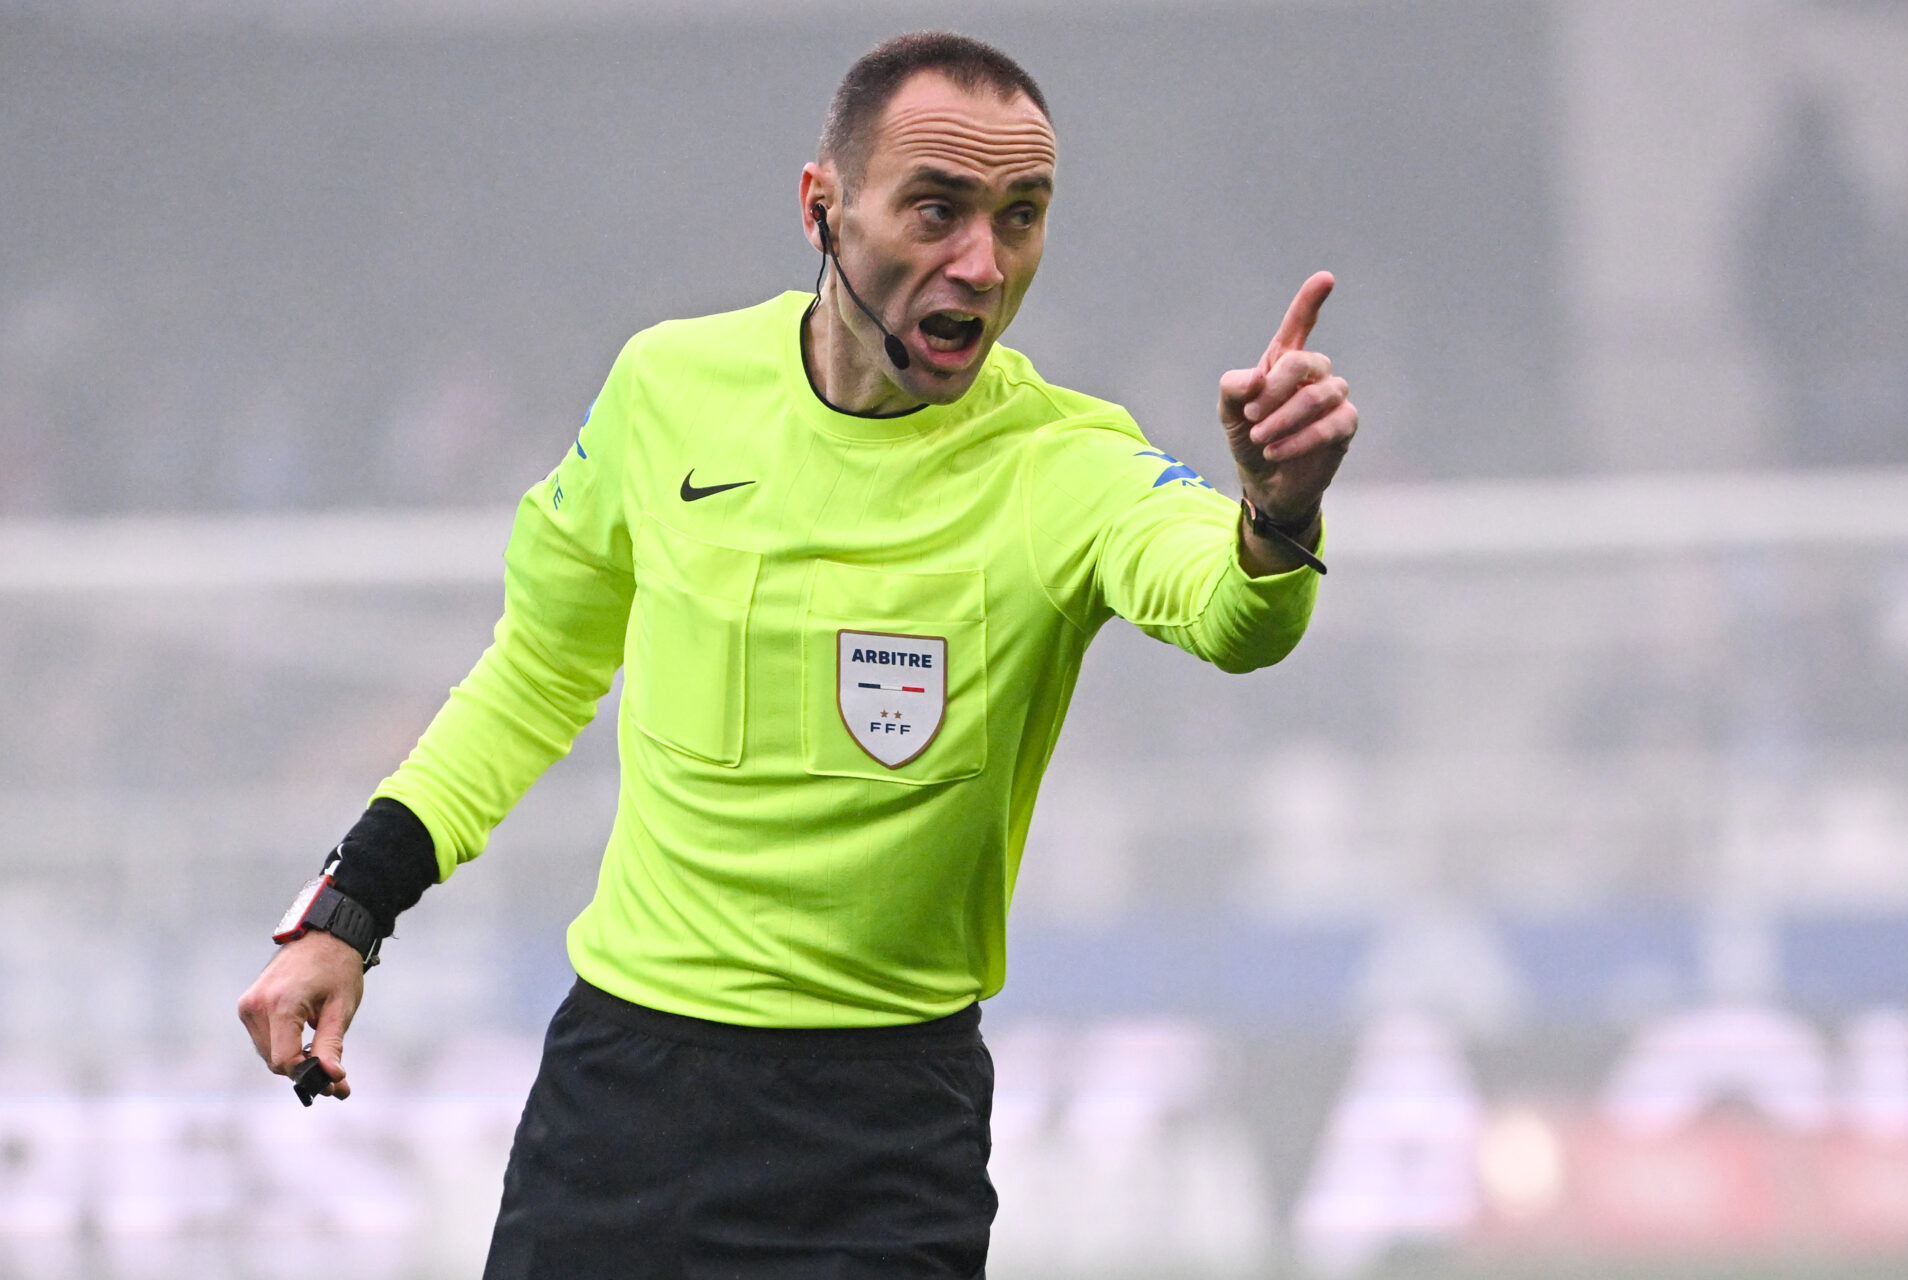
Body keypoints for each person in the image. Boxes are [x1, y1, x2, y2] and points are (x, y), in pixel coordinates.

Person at [238, 30, 1357, 1278]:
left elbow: (1235, 617)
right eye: (936, 208)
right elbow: (537, 672)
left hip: (886, 1135)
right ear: (823, 207)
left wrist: (1277, 514)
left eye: (1021, 215)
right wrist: (350, 908)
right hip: (626, 1101)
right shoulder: (669, 388)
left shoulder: (1068, 462)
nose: (982, 262)